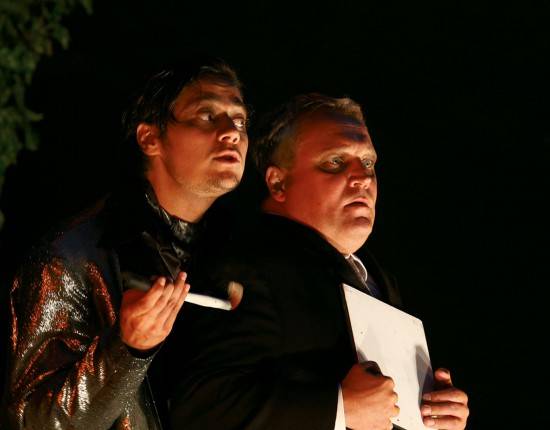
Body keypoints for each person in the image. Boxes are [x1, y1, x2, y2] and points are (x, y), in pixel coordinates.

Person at [168, 94, 469, 430]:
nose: (362, 178)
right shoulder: (247, 264)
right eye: (335, 162)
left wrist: (435, 414)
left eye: (368, 162)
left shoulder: (377, 278)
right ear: (278, 182)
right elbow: (200, 407)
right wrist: (339, 408)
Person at [1, 57, 249, 429]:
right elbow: (34, 421)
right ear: (150, 138)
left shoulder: (241, 256)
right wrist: (127, 349)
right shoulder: (73, 256)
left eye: (240, 120)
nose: (231, 132)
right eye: (206, 115)